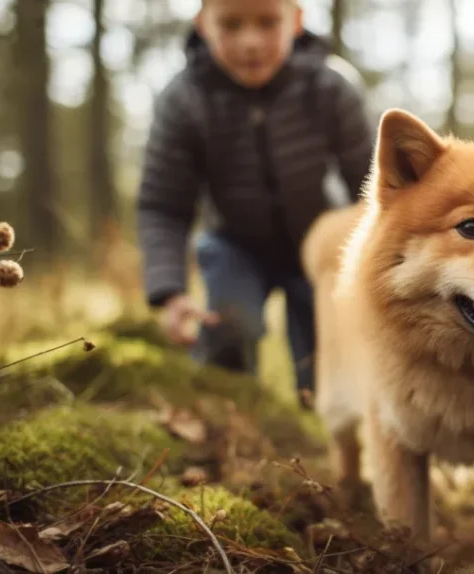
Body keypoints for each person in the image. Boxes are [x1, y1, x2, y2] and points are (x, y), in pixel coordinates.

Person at [136, 0, 375, 408]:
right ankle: (231, 421)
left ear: (296, 21)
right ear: (203, 24)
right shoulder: (184, 100)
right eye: (230, 25)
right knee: (230, 328)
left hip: (316, 242)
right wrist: (169, 291)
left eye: (267, 23)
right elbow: (163, 204)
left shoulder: (331, 87)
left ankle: (316, 443)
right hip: (233, 243)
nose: (250, 42)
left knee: (321, 360)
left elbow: (373, 188)